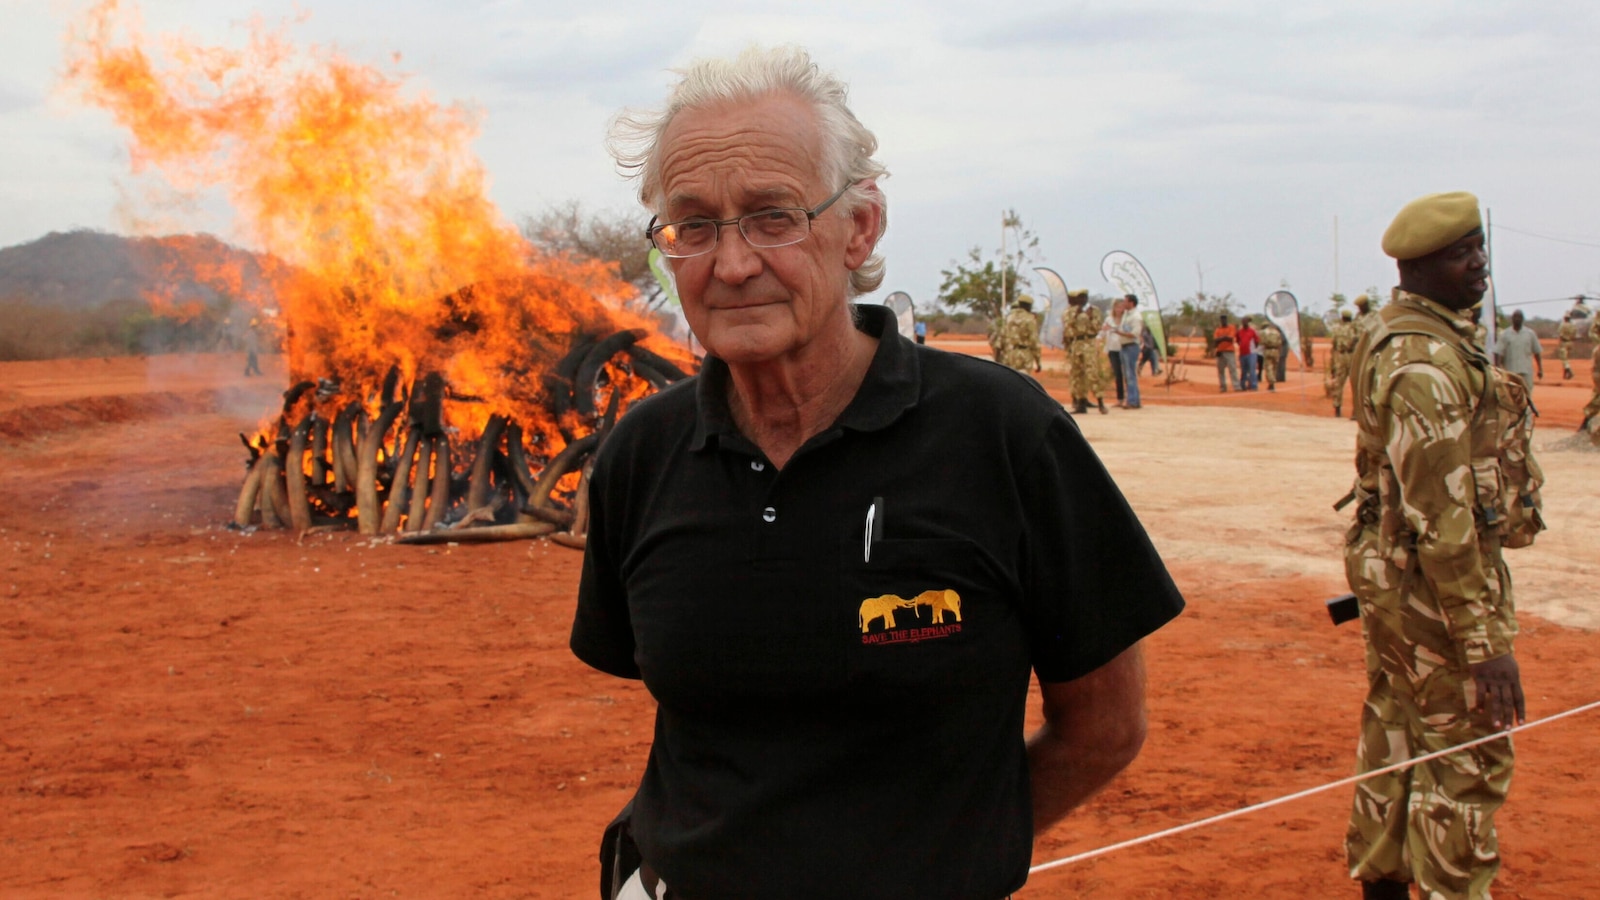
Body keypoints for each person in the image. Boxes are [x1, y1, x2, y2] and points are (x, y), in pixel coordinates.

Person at [571, 46, 1184, 900]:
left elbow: (1107, 726)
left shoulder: (1004, 434)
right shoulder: (643, 452)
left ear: (859, 226)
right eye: (694, 225)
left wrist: (940, 858)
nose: (733, 262)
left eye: (772, 215)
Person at [1339, 190, 1543, 900]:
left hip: (1398, 580)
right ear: (1420, 267)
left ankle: (1387, 883)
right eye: (1464, 255)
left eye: (1479, 249)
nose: (1480, 266)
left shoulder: (1403, 334)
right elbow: (1443, 522)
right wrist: (1484, 646)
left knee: (1396, 735)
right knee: (1466, 760)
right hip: (1433, 590)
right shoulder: (1425, 362)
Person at [1063, 288, 1110, 415]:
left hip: (1089, 343)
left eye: (1084, 297)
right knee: (1077, 375)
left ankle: (1100, 402)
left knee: (1092, 373)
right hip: (1076, 344)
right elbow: (1068, 327)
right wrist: (1076, 315)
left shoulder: (1094, 311)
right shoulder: (1070, 312)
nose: (1082, 300)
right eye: (1080, 297)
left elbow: (1097, 327)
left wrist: (1089, 318)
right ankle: (1081, 403)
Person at [1493, 309, 1543, 394]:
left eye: (1519, 317)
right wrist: (1498, 370)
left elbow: (1537, 352)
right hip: (1510, 371)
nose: (1517, 319)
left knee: (1527, 394)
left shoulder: (1530, 334)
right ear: (1512, 319)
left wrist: (1540, 369)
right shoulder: (1504, 334)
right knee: (1511, 395)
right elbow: (1498, 353)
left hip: (1526, 371)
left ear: (1523, 319)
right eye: (1515, 317)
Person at [999, 294, 1042, 374]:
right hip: (1025, 354)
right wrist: (1038, 361)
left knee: (1011, 378)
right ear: (1028, 306)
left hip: (1010, 354)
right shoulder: (1030, 319)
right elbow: (1034, 342)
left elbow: (1002, 338)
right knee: (1024, 380)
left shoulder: (1009, 318)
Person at [1327, 309, 1358, 417]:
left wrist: (1332, 363)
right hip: (1352, 356)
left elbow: (1334, 345)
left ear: (1342, 318)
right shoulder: (1355, 329)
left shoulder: (1337, 329)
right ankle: (1355, 411)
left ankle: (1337, 408)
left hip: (1340, 356)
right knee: (1355, 384)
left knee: (1338, 383)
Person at [1115, 294, 1144, 408]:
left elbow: (1134, 334)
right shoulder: (1127, 315)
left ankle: (1133, 401)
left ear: (1131, 303)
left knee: (1130, 374)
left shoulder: (1136, 317)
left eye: (1125, 301)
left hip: (1131, 346)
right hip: (1124, 346)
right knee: (1128, 375)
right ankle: (1133, 399)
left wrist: (1119, 333)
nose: (1123, 303)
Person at [1102, 298, 1127, 403]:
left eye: (1121, 307)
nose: (1119, 309)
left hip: (1124, 348)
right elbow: (1103, 331)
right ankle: (1120, 398)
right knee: (1117, 374)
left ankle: (1130, 398)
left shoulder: (1126, 319)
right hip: (1112, 349)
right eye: (1117, 307)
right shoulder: (1109, 319)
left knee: (1127, 373)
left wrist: (1112, 329)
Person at [1213, 313, 1240, 392]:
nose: (1223, 321)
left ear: (1226, 320)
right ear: (1220, 320)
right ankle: (1222, 387)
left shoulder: (1231, 327)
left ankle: (1236, 386)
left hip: (1229, 351)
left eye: (1224, 319)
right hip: (1220, 351)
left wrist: (1221, 339)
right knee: (1220, 370)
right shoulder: (1218, 329)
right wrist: (1224, 338)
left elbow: (1231, 339)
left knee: (1233, 369)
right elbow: (1215, 340)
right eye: (1222, 319)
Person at [1237, 315, 1260, 391]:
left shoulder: (1252, 331)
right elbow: (1238, 340)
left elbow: (1257, 341)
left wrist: (1253, 349)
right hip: (1242, 353)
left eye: (1245, 321)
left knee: (1252, 370)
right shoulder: (1239, 331)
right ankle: (1243, 385)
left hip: (1251, 353)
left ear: (1248, 322)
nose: (1244, 323)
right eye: (1243, 321)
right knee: (1244, 370)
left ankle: (1253, 385)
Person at [1259, 320, 1283, 392]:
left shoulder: (1263, 332)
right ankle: (1272, 382)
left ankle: (1271, 383)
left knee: (1268, 367)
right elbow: (1280, 342)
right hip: (1276, 351)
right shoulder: (1276, 332)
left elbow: (1261, 342)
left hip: (1268, 350)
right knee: (1274, 367)